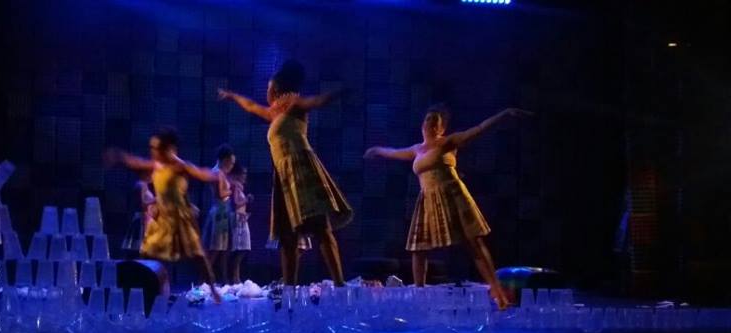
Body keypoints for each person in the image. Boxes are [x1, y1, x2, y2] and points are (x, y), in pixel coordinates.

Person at [364, 104, 532, 309]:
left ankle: (498, 291)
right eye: (428, 119)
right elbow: (395, 152)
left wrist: (503, 114)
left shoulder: (448, 142)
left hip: (452, 195)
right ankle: (419, 293)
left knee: (474, 242)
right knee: (418, 247)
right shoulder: (417, 149)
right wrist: (377, 150)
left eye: (435, 121)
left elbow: (479, 129)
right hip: (427, 199)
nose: (430, 123)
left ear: (441, 128)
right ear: (422, 125)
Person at [219, 59, 353, 287]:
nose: (266, 92)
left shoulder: (294, 104)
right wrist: (232, 96)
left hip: (301, 170)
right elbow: (250, 106)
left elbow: (316, 101)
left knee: (321, 228)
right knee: (287, 236)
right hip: (283, 178)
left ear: (276, 89)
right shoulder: (273, 113)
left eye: (268, 87)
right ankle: (290, 291)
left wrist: (339, 92)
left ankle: (340, 285)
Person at [104, 127, 223, 303]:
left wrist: (216, 175)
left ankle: (213, 290)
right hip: (162, 219)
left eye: (157, 148)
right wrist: (120, 157)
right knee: (147, 254)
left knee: (199, 256)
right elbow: (136, 162)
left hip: (181, 219)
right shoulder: (155, 166)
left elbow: (201, 173)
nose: (153, 151)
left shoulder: (181, 166)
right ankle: (146, 290)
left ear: (169, 149)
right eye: (152, 148)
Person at [202, 159, 233, 284]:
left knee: (223, 248)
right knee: (216, 248)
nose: (231, 165)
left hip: (222, 212)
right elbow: (221, 193)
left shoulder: (219, 172)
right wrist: (231, 190)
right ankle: (205, 279)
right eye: (230, 162)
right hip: (220, 212)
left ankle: (223, 279)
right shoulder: (217, 173)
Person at [228, 164, 253, 283]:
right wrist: (247, 199)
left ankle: (236, 276)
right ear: (237, 175)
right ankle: (235, 277)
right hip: (238, 219)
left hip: (242, 218)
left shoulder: (239, 187)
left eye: (246, 174)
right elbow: (236, 202)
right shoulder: (236, 186)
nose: (245, 176)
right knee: (239, 248)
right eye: (243, 173)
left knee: (244, 248)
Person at [122, 176, 157, 255]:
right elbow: (142, 204)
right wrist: (155, 199)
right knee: (139, 247)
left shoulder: (144, 185)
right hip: (142, 219)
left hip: (146, 217)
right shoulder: (141, 185)